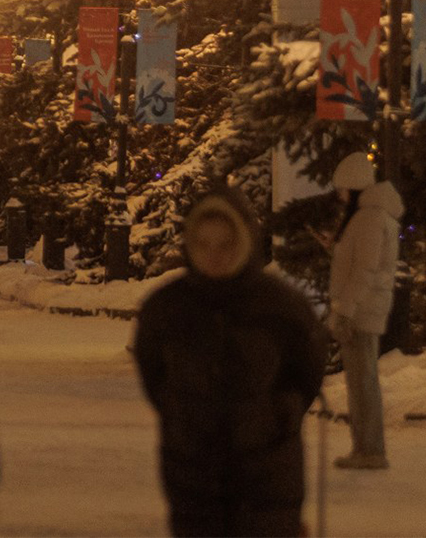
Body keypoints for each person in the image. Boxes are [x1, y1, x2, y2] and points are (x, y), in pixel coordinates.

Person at [130, 191, 326, 538]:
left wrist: (279, 413)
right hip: (192, 470)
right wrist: (180, 412)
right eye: (203, 244)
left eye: (225, 243)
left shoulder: (281, 306)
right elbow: (153, 373)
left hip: (268, 471)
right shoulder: (166, 309)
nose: (214, 255)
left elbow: (306, 371)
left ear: (244, 240)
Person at [324, 151, 403, 469]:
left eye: (343, 189)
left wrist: (345, 307)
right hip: (364, 307)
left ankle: (369, 450)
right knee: (361, 380)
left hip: (361, 311)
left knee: (362, 382)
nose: (341, 196)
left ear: (355, 186)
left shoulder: (369, 217)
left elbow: (365, 269)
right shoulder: (373, 216)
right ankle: (366, 448)